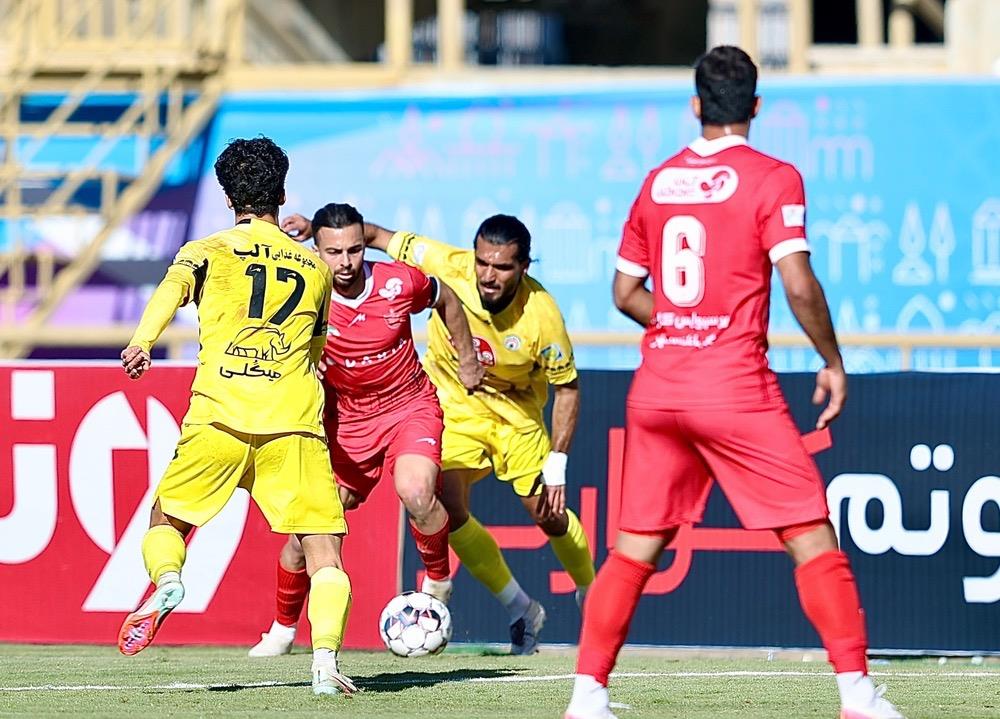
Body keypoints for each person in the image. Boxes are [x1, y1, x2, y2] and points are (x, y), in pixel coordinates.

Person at [564, 47, 904, 719]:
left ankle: (586, 695)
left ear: (696, 106)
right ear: (756, 106)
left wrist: (682, 324)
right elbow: (798, 283)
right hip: (733, 388)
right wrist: (832, 361)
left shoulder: (658, 181)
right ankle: (857, 695)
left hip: (659, 388)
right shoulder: (773, 177)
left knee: (633, 549)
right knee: (811, 536)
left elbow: (624, 291)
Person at [116, 138, 356, 696]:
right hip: (292, 423)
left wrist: (142, 342)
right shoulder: (316, 267)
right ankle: (324, 664)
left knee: (167, 520)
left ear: (228, 199)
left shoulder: (207, 250)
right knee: (323, 551)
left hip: (219, 418)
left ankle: (169, 579)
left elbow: (171, 291)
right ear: (282, 194)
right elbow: (315, 350)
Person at [247, 202, 483, 657]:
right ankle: (281, 630)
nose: (346, 262)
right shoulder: (302, 291)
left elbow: (448, 298)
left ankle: (437, 581)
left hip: (408, 407)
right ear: (317, 251)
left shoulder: (399, 282)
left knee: (416, 491)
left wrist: (468, 358)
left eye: (354, 250)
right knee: (304, 537)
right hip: (346, 423)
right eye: (333, 252)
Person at [362, 214, 596, 655]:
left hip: (516, 419)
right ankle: (521, 609)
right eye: (482, 262)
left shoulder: (542, 316)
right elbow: (372, 234)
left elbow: (567, 387)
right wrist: (316, 231)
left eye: (502, 267)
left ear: (524, 267)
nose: (488, 275)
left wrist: (557, 463)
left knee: (548, 514)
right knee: (445, 505)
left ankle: (591, 591)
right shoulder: (445, 264)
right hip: (454, 406)